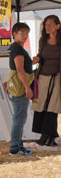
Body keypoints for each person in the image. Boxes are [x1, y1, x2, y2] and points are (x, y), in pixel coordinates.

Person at [32, 14, 61, 146]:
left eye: (50, 24)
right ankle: (51, 136)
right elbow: (40, 55)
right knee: (40, 106)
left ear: (58, 26)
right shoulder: (42, 40)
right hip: (42, 77)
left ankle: (45, 136)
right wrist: (37, 58)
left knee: (52, 107)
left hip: (57, 77)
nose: (47, 27)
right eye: (45, 24)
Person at [8, 23, 34, 156]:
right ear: (14, 34)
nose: (25, 35)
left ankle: (17, 146)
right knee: (19, 118)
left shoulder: (17, 48)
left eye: (27, 32)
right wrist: (27, 88)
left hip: (18, 87)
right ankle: (14, 148)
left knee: (19, 118)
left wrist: (33, 61)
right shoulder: (17, 49)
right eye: (22, 32)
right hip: (20, 88)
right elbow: (20, 70)